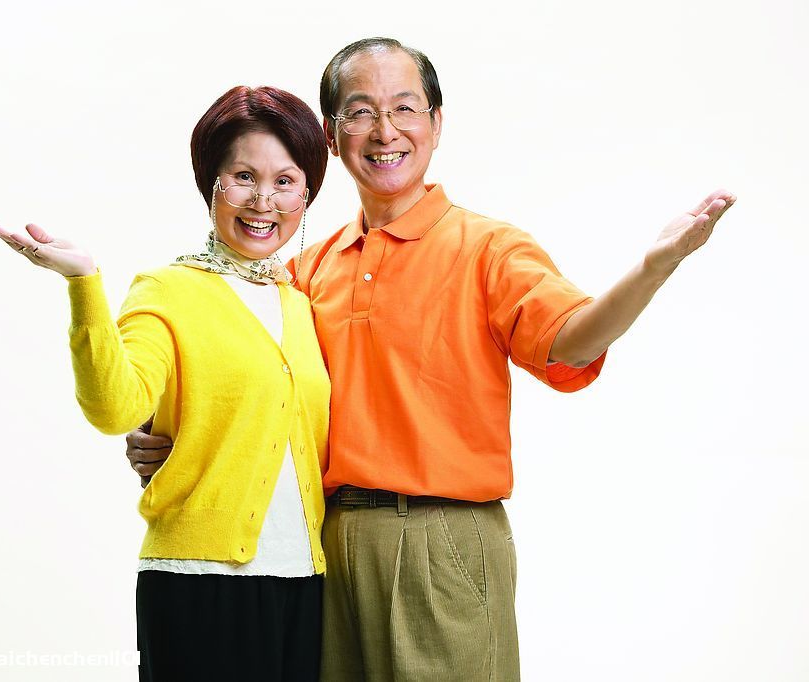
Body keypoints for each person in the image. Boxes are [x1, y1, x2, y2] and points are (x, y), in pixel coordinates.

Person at [125, 38, 737, 682]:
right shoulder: (306, 272)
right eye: (361, 111)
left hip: (442, 538)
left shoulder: (488, 248)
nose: (384, 131)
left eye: (404, 108)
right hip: (325, 544)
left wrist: (652, 269)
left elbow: (574, 340)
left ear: (436, 124)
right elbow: (250, 383)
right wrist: (164, 432)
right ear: (331, 137)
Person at [0, 85, 331, 682]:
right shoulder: (168, 289)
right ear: (211, 183)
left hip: (304, 579)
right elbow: (116, 408)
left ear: (307, 192)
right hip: (200, 581)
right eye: (243, 177)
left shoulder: (300, 303)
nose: (263, 201)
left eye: (284, 181)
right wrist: (84, 283)